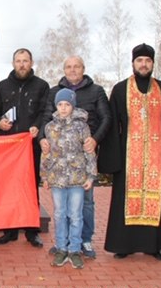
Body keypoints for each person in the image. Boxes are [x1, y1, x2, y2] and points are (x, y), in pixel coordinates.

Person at [98, 43, 161, 260]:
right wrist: (112, 161)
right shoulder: (120, 89)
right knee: (126, 200)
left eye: (148, 61)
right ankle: (124, 245)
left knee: (157, 200)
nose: (144, 64)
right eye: (139, 60)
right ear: (133, 63)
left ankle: (154, 246)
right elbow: (112, 126)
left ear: (153, 63)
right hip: (128, 158)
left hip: (157, 159)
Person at [40, 56, 111, 258]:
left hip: (83, 156)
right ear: (64, 70)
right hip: (59, 162)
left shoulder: (96, 91)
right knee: (61, 209)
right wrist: (42, 139)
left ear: (83, 68)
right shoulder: (54, 92)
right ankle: (63, 243)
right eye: (69, 67)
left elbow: (106, 117)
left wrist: (95, 140)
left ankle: (84, 241)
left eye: (76, 66)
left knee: (84, 203)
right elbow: (46, 117)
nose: (72, 70)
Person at [0, 48, 49, 248]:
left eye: (25, 61)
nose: (22, 64)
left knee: (30, 188)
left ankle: (32, 232)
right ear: (13, 63)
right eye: (18, 61)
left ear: (31, 63)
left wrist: (37, 127)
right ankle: (9, 231)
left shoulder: (41, 85)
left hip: (30, 146)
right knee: (7, 188)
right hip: (8, 147)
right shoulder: (3, 85)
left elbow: (45, 112)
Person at [41, 89, 97, 269]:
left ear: (73, 105)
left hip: (76, 178)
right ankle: (61, 248)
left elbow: (89, 152)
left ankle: (74, 249)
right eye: (60, 104)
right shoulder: (50, 127)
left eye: (67, 104)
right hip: (57, 177)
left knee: (75, 215)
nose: (63, 108)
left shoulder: (81, 127)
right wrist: (45, 176)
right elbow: (46, 154)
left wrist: (91, 175)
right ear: (56, 106)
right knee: (59, 214)